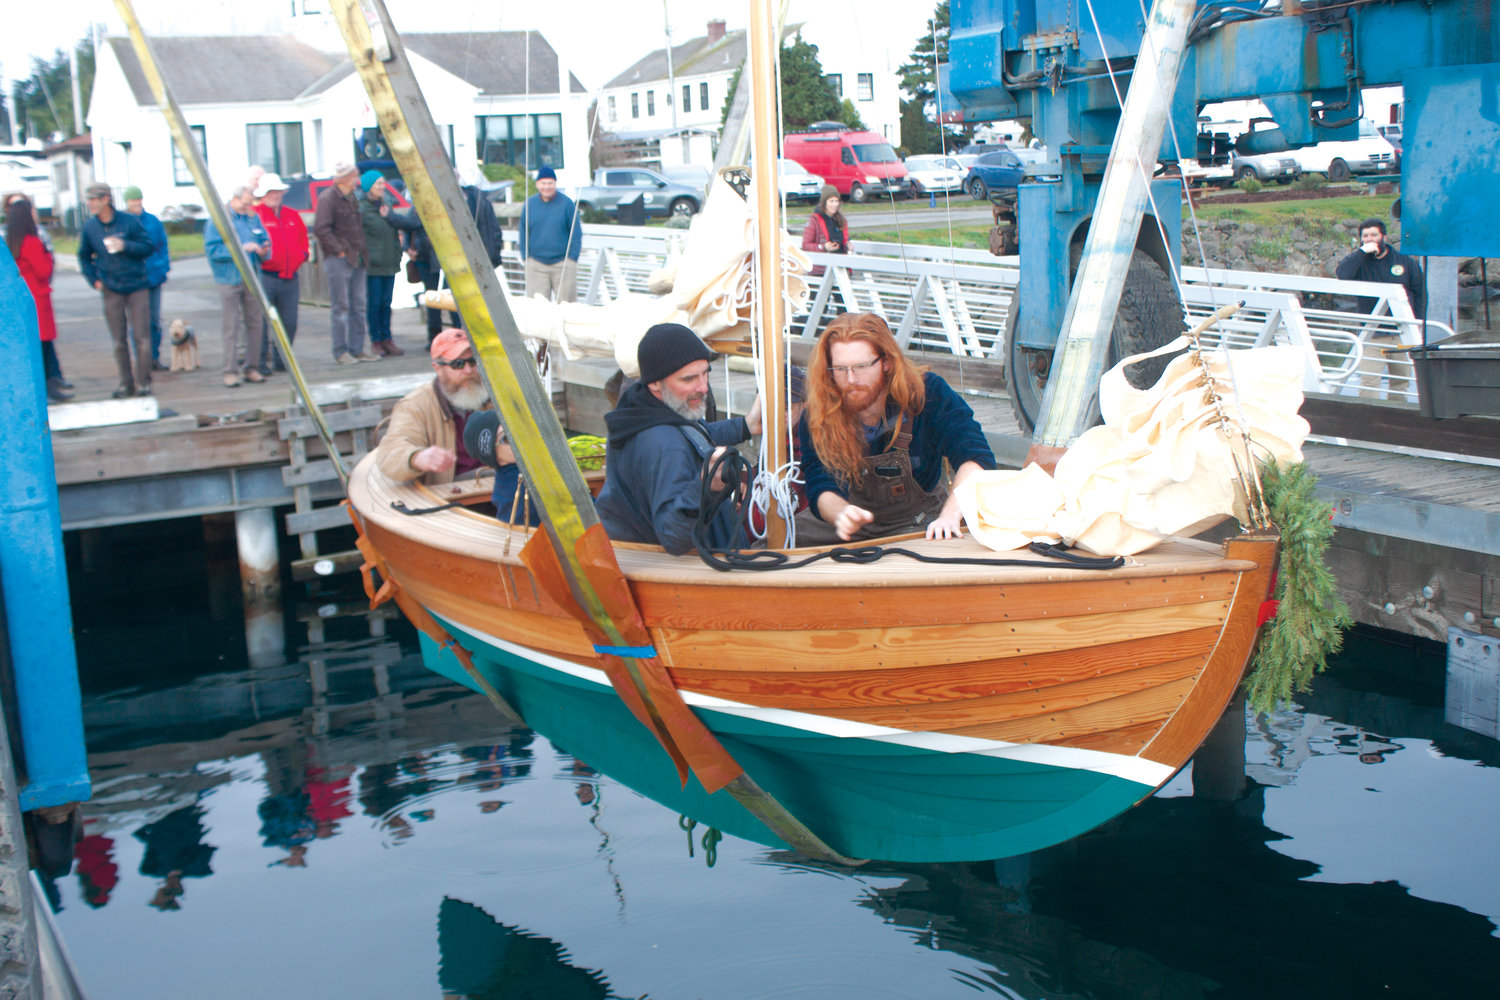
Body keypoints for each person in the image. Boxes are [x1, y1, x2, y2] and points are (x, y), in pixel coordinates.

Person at [796, 312, 996, 543]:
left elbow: (976, 457)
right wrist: (841, 513)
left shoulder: (929, 393)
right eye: (840, 369)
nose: (850, 379)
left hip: (920, 521)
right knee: (771, 555)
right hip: (848, 526)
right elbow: (819, 483)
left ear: (887, 363)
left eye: (861, 366)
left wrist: (950, 516)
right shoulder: (818, 413)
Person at [595, 323, 764, 555]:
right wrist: (707, 486)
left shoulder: (642, 411)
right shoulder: (663, 445)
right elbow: (675, 538)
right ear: (655, 382)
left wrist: (745, 425)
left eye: (706, 373)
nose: (703, 387)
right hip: (682, 577)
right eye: (688, 379)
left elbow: (694, 434)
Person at [374, 328, 492, 487]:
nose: (468, 370)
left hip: (499, 486)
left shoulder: (495, 394)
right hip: (450, 495)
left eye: (473, 361)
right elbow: (390, 453)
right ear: (438, 368)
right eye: (457, 364)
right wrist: (416, 458)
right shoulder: (415, 405)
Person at [77, 181, 156, 397]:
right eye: (89, 200)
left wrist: (125, 246)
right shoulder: (90, 227)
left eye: (93, 200)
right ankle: (125, 384)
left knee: (142, 338)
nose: (90, 204)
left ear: (106, 200)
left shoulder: (129, 222)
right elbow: (83, 256)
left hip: (137, 285)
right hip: (111, 288)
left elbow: (148, 247)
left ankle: (144, 383)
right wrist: (94, 280)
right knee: (118, 341)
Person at [203, 185, 270, 388]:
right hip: (229, 278)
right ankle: (230, 371)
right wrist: (242, 248)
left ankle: (252, 368)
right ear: (238, 197)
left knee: (256, 324)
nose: (253, 202)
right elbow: (213, 250)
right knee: (231, 326)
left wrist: (264, 248)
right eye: (250, 198)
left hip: (252, 278)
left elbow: (264, 239)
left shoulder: (252, 217)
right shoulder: (219, 219)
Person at [5, 196, 71, 401]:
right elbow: (43, 270)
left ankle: (46, 387)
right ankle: (48, 389)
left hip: (24, 298)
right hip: (38, 298)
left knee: (34, 347)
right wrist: (49, 257)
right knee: (41, 346)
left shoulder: (12, 241)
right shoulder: (31, 241)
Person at [314, 161, 376, 364]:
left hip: (357, 257)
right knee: (340, 306)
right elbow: (321, 229)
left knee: (358, 305)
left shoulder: (352, 198)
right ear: (344, 178)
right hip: (339, 259)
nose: (357, 180)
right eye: (354, 176)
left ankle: (357, 349)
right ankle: (341, 352)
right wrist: (338, 249)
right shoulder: (328, 198)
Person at [359, 170, 420, 357]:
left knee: (387, 303)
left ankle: (387, 339)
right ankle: (376, 340)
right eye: (378, 183)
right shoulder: (362, 209)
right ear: (369, 186)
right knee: (374, 303)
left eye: (382, 183)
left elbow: (396, 227)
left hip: (389, 261)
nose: (382, 186)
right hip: (373, 264)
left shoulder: (386, 205)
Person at [253, 173, 309, 373]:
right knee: (261, 322)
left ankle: (281, 360)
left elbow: (304, 239)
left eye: (277, 191)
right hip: (266, 276)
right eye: (270, 192)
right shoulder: (255, 214)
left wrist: (302, 255)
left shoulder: (292, 215)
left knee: (290, 322)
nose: (274, 195)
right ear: (263, 194)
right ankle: (259, 363)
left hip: (290, 277)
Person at [1334, 217, 1427, 317]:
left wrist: (1417, 321)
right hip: (1370, 324)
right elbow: (1342, 275)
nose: (1369, 239)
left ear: (1384, 237)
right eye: (1365, 236)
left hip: (1401, 324)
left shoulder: (1404, 261)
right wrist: (1361, 252)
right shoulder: (1358, 261)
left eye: (1374, 235)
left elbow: (1420, 293)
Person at [122, 185, 171, 371]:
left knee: (155, 321)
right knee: (138, 322)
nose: (136, 203)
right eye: (132, 200)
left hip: (154, 276)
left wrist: (163, 267)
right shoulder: (124, 222)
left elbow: (163, 246)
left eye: (138, 199)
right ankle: (142, 359)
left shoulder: (153, 221)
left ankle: (155, 357)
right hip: (135, 280)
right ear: (127, 202)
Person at [518, 165, 583, 303]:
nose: (546, 187)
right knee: (537, 309)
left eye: (550, 183)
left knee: (567, 308)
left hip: (563, 264)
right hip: (536, 264)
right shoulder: (530, 204)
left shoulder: (567, 204)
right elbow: (523, 232)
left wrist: (572, 259)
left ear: (555, 184)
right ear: (537, 184)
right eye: (543, 183)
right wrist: (526, 257)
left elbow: (576, 233)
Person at [801, 184, 848, 276]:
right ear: (824, 203)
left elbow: (845, 240)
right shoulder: (814, 220)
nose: (835, 204)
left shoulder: (841, 220)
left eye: (836, 201)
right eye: (831, 201)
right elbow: (805, 245)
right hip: (821, 270)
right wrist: (823, 247)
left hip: (840, 267)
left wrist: (848, 245)